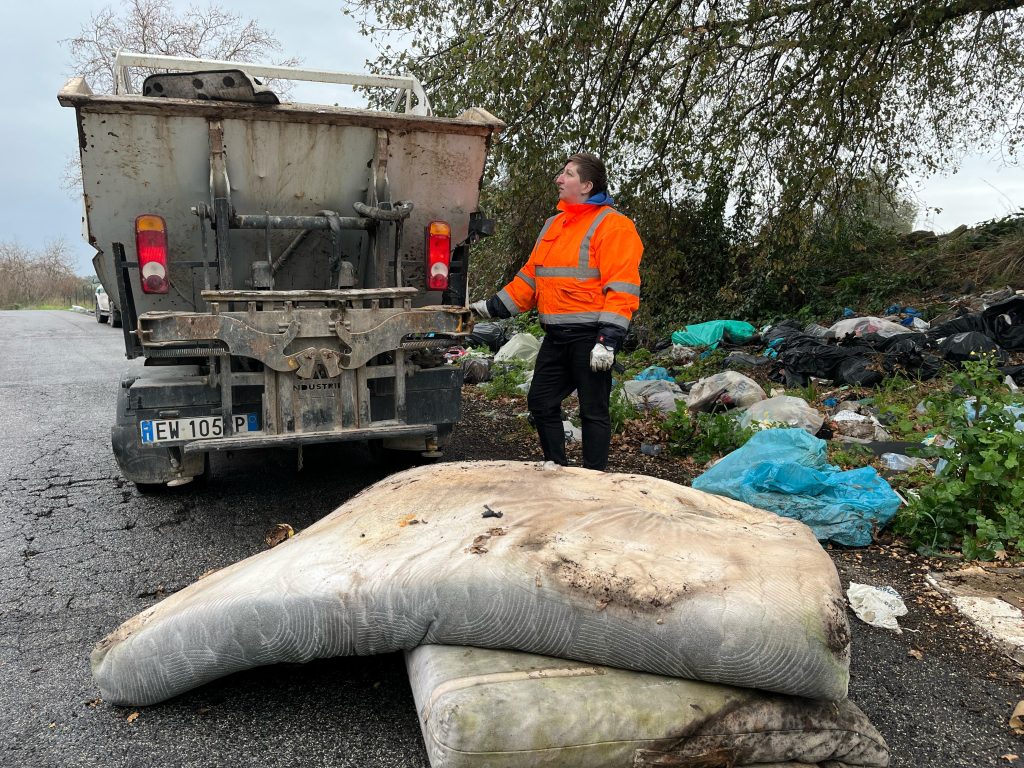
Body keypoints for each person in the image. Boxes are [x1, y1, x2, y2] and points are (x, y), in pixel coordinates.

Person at [470, 153, 643, 470]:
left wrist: (608, 339)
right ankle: (556, 467)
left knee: (593, 411)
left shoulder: (614, 226)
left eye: (568, 174)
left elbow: (622, 287)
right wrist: (490, 307)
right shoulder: (554, 225)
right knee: (540, 401)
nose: (559, 179)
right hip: (556, 339)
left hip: (591, 338)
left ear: (587, 185)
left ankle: (593, 480)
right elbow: (529, 280)